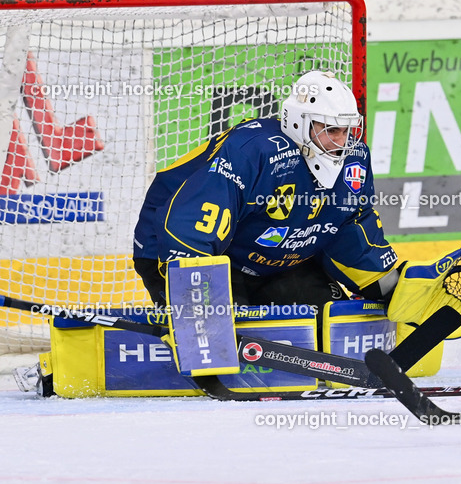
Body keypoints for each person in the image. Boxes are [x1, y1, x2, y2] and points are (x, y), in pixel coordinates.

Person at [133, 70, 398, 308]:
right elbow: (192, 224)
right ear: (299, 123)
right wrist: (196, 302)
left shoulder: (354, 160)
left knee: (327, 321)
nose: (340, 142)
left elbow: (350, 230)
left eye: (347, 130)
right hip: (180, 251)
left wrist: (395, 288)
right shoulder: (254, 151)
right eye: (331, 130)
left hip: (275, 265)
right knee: (221, 341)